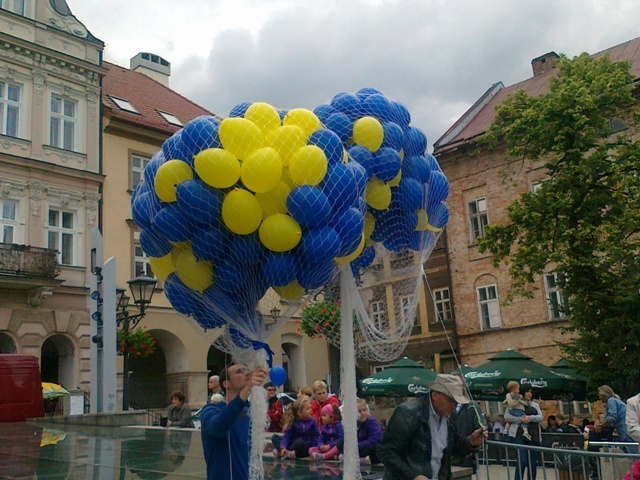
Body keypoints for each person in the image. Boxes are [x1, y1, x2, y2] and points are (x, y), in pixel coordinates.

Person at [378, 373, 487, 480]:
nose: (454, 406)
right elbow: (385, 452)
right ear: (435, 395)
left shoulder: (448, 416)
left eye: (456, 402)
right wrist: (413, 476)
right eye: (450, 400)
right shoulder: (408, 413)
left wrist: (471, 442)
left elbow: (451, 450)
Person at [200, 363, 268, 480]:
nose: (247, 374)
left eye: (247, 371)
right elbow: (218, 427)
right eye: (239, 371)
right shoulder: (210, 410)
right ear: (226, 384)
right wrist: (246, 390)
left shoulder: (248, 414)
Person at [504, 385, 543, 480]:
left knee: (533, 463)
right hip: (519, 435)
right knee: (522, 460)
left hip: (533, 435)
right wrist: (521, 419)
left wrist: (530, 418)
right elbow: (507, 416)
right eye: (527, 391)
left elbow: (541, 417)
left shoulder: (535, 405)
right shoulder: (514, 402)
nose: (529, 394)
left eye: (531, 392)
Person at [337, 398, 384, 464]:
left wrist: (357, 446)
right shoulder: (353, 423)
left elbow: (374, 440)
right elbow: (344, 439)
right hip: (357, 449)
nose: (363, 413)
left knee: (375, 447)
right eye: (359, 411)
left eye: (364, 410)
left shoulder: (372, 422)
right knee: (340, 443)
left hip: (368, 448)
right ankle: (354, 458)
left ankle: (364, 460)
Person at [272, 395, 320, 459]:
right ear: (300, 412)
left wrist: (314, 446)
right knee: (275, 437)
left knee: (299, 442)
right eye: (308, 409)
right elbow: (287, 436)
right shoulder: (293, 421)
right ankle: (284, 451)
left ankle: (283, 453)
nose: (311, 410)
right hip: (292, 444)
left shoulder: (312, 421)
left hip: (305, 445)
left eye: (310, 408)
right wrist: (283, 446)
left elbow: (316, 435)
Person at [598, 385, 635, 451]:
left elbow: (612, 417)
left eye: (600, 395)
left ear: (603, 394)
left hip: (625, 431)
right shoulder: (616, 400)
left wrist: (601, 425)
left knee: (633, 456)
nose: (599, 398)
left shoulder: (611, 401)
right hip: (629, 430)